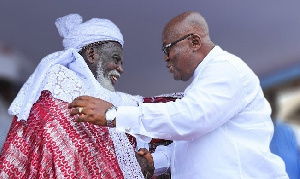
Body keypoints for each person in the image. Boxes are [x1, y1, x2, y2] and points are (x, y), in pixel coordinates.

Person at [68, 11, 288, 178]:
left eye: (168, 49)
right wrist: (156, 161)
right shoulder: (206, 81)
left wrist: (114, 115)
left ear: (194, 42)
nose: (166, 58)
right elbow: (196, 142)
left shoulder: (226, 69)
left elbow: (190, 119)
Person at [0, 14, 153, 178]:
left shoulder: (108, 102)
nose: (120, 69)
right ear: (92, 54)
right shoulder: (52, 101)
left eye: (121, 63)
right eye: (116, 60)